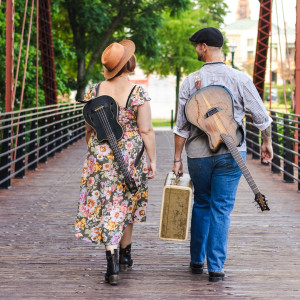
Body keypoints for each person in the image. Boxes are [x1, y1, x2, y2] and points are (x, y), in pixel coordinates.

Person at [172, 27, 273, 282]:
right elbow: (261, 117)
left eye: (197, 45)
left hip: (198, 155)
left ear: (204, 47)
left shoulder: (189, 81)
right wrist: (267, 142)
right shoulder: (239, 79)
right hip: (232, 154)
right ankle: (215, 268)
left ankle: (197, 262)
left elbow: (181, 127)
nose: (196, 50)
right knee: (221, 209)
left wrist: (176, 159)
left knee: (202, 203)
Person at [75, 40, 156, 285]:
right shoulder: (138, 92)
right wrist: (153, 160)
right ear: (128, 64)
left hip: (100, 156)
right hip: (131, 156)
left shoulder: (95, 90)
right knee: (126, 205)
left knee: (107, 205)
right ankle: (124, 257)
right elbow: (147, 130)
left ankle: (112, 261)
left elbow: (89, 128)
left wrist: (95, 151)